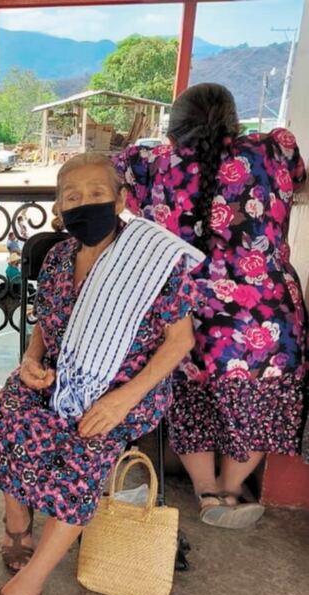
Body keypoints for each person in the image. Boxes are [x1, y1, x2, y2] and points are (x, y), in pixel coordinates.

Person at [0, 153, 202, 595]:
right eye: (71, 196)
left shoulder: (152, 262)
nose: (84, 203)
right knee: (11, 410)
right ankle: (17, 524)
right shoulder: (58, 258)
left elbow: (180, 342)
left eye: (97, 193)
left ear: (121, 199)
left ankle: (26, 589)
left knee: (82, 450)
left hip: (127, 388)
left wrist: (122, 400)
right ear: (58, 209)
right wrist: (31, 362)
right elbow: (44, 326)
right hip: (59, 376)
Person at [114, 83, 307, 528]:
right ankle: (231, 488)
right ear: (234, 119)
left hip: (189, 319)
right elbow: (300, 182)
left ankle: (204, 492)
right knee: (261, 409)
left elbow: (109, 168)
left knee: (191, 403)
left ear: (176, 124)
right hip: (269, 320)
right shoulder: (271, 149)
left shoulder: (153, 163)